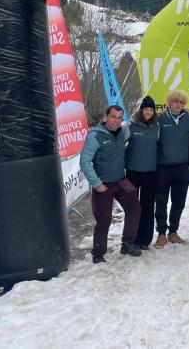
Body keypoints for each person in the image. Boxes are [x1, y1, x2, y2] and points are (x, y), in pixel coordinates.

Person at [79, 105, 141, 263]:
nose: (116, 121)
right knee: (103, 220)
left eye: (119, 118)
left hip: (121, 180)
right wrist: (96, 183)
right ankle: (98, 253)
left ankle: (127, 243)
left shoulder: (123, 131)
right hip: (103, 184)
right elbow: (85, 161)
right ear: (105, 117)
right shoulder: (95, 136)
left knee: (134, 209)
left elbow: (134, 120)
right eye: (113, 117)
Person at [154, 90, 189, 249]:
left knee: (179, 202)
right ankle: (161, 234)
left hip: (182, 167)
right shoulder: (160, 119)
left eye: (181, 103)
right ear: (169, 103)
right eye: (175, 101)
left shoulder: (188, 118)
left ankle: (173, 232)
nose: (178, 105)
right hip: (163, 168)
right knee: (161, 201)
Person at [125, 96, 160, 251]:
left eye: (151, 110)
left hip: (150, 173)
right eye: (146, 109)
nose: (148, 112)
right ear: (141, 110)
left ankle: (145, 239)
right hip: (133, 172)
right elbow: (119, 144)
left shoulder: (157, 127)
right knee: (133, 207)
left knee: (148, 206)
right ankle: (131, 239)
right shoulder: (130, 126)